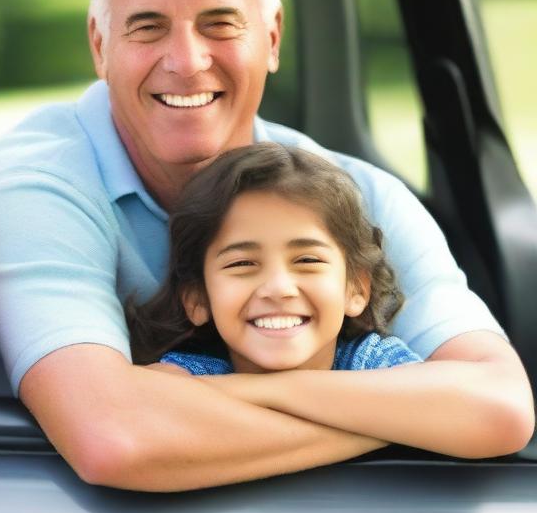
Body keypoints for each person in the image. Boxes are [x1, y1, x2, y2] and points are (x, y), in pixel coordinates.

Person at [0, 0, 533, 492]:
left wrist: (253, 391)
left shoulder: (359, 194)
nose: (187, 62)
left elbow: (499, 405)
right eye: (148, 26)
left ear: (272, 35)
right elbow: (114, 437)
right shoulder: (39, 185)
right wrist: (411, 418)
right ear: (99, 44)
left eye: (221, 23)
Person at [128, 143, 420, 377]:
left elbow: (459, 406)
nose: (279, 288)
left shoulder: (374, 362)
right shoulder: (193, 376)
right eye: (242, 264)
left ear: (356, 288)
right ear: (197, 299)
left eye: (307, 260)